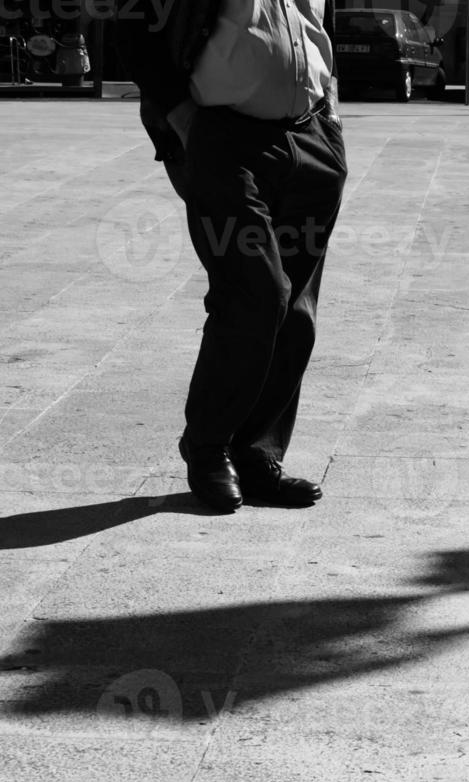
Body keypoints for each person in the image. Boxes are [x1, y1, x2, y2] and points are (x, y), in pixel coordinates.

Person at [117, 0, 347, 511]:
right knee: (257, 295)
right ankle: (207, 446)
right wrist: (185, 122)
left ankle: (256, 454)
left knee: (295, 313)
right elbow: (132, 29)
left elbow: (312, 30)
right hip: (223, 140)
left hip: (309, 140)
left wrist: (329, 113)